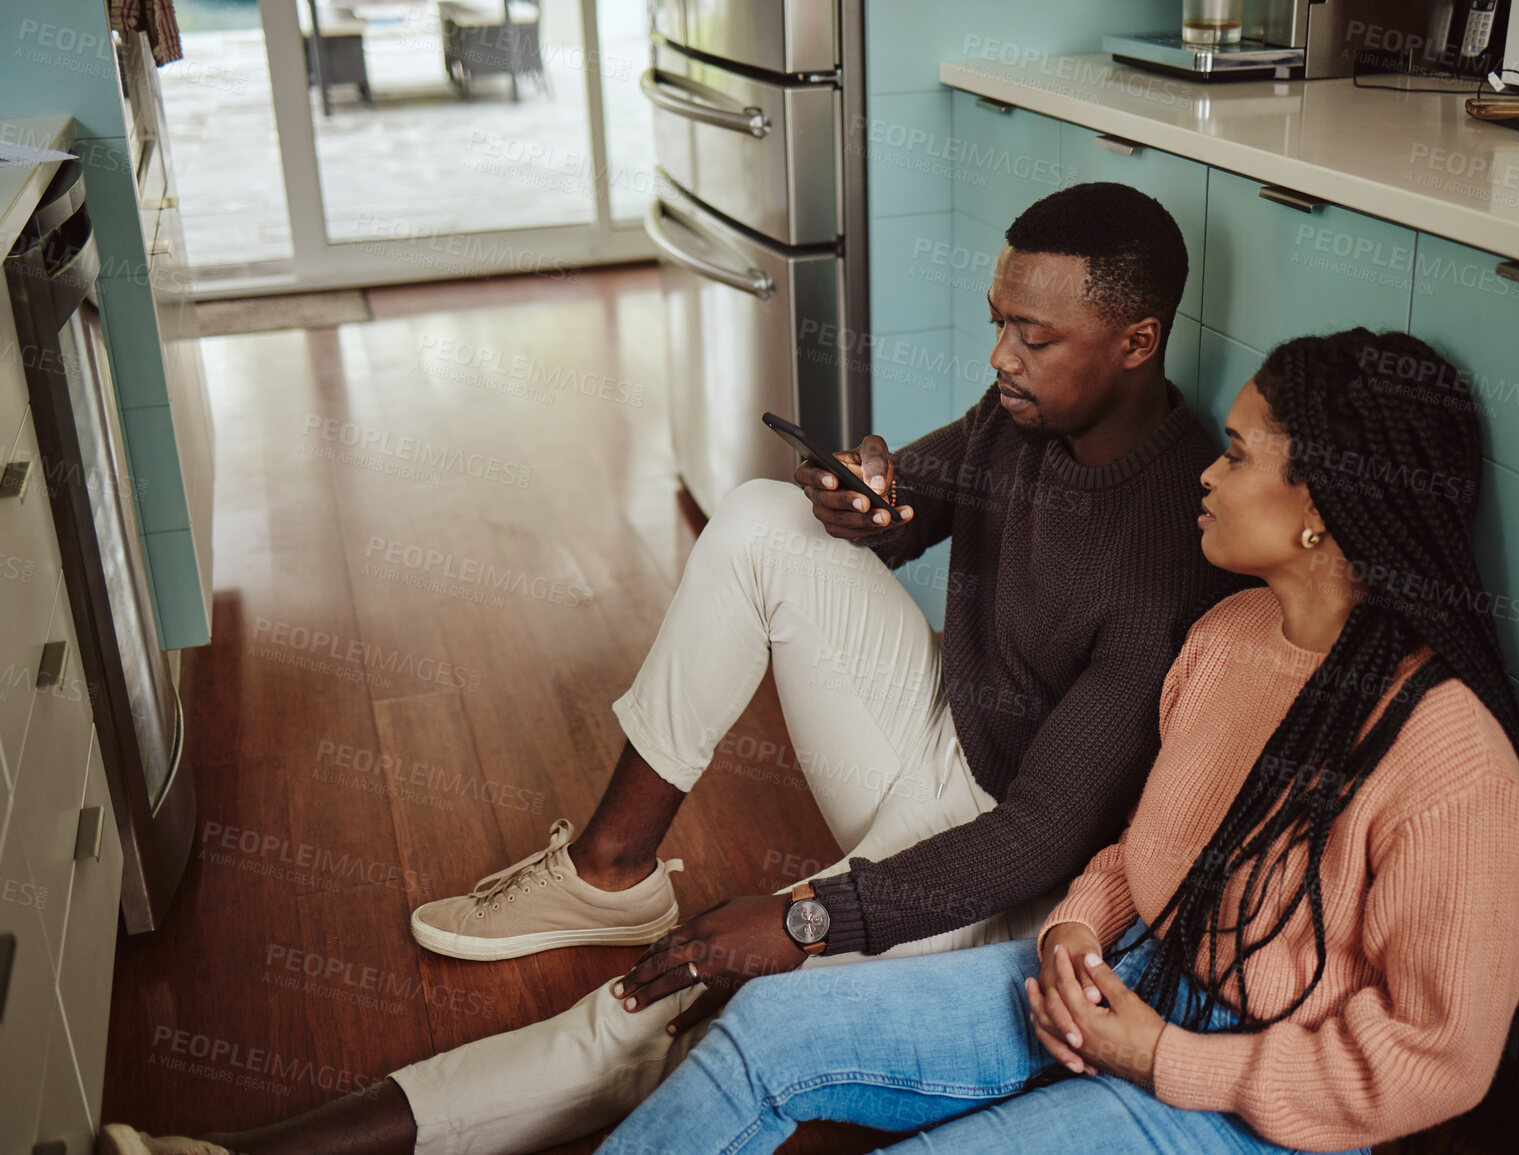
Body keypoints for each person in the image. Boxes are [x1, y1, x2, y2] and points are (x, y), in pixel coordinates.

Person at [100, 182, 1245, 1155]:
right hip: (943, 725)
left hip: (1002, 857)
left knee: (673, 991)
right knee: (756, 516)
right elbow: (917, 502)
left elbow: (1039, 839)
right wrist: (861, 503)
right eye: (998, 322)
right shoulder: (1031, 410)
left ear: (1138, 340)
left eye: (1032, 337)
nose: (1000, 355)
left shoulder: (1165, 557)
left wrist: (806, 918)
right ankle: (611, 867)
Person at [589, 328, 1519, 1155]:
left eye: (1238, 454)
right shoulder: (1227, 639)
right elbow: (1146, 845)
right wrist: (1076, 931)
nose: (1206, 475)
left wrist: (1163, 1058)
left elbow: (1438, 1059)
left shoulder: (1446, 755)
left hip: (1265, 1111)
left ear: (1321, 511)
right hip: (1119, 978)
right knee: (766, 1030)